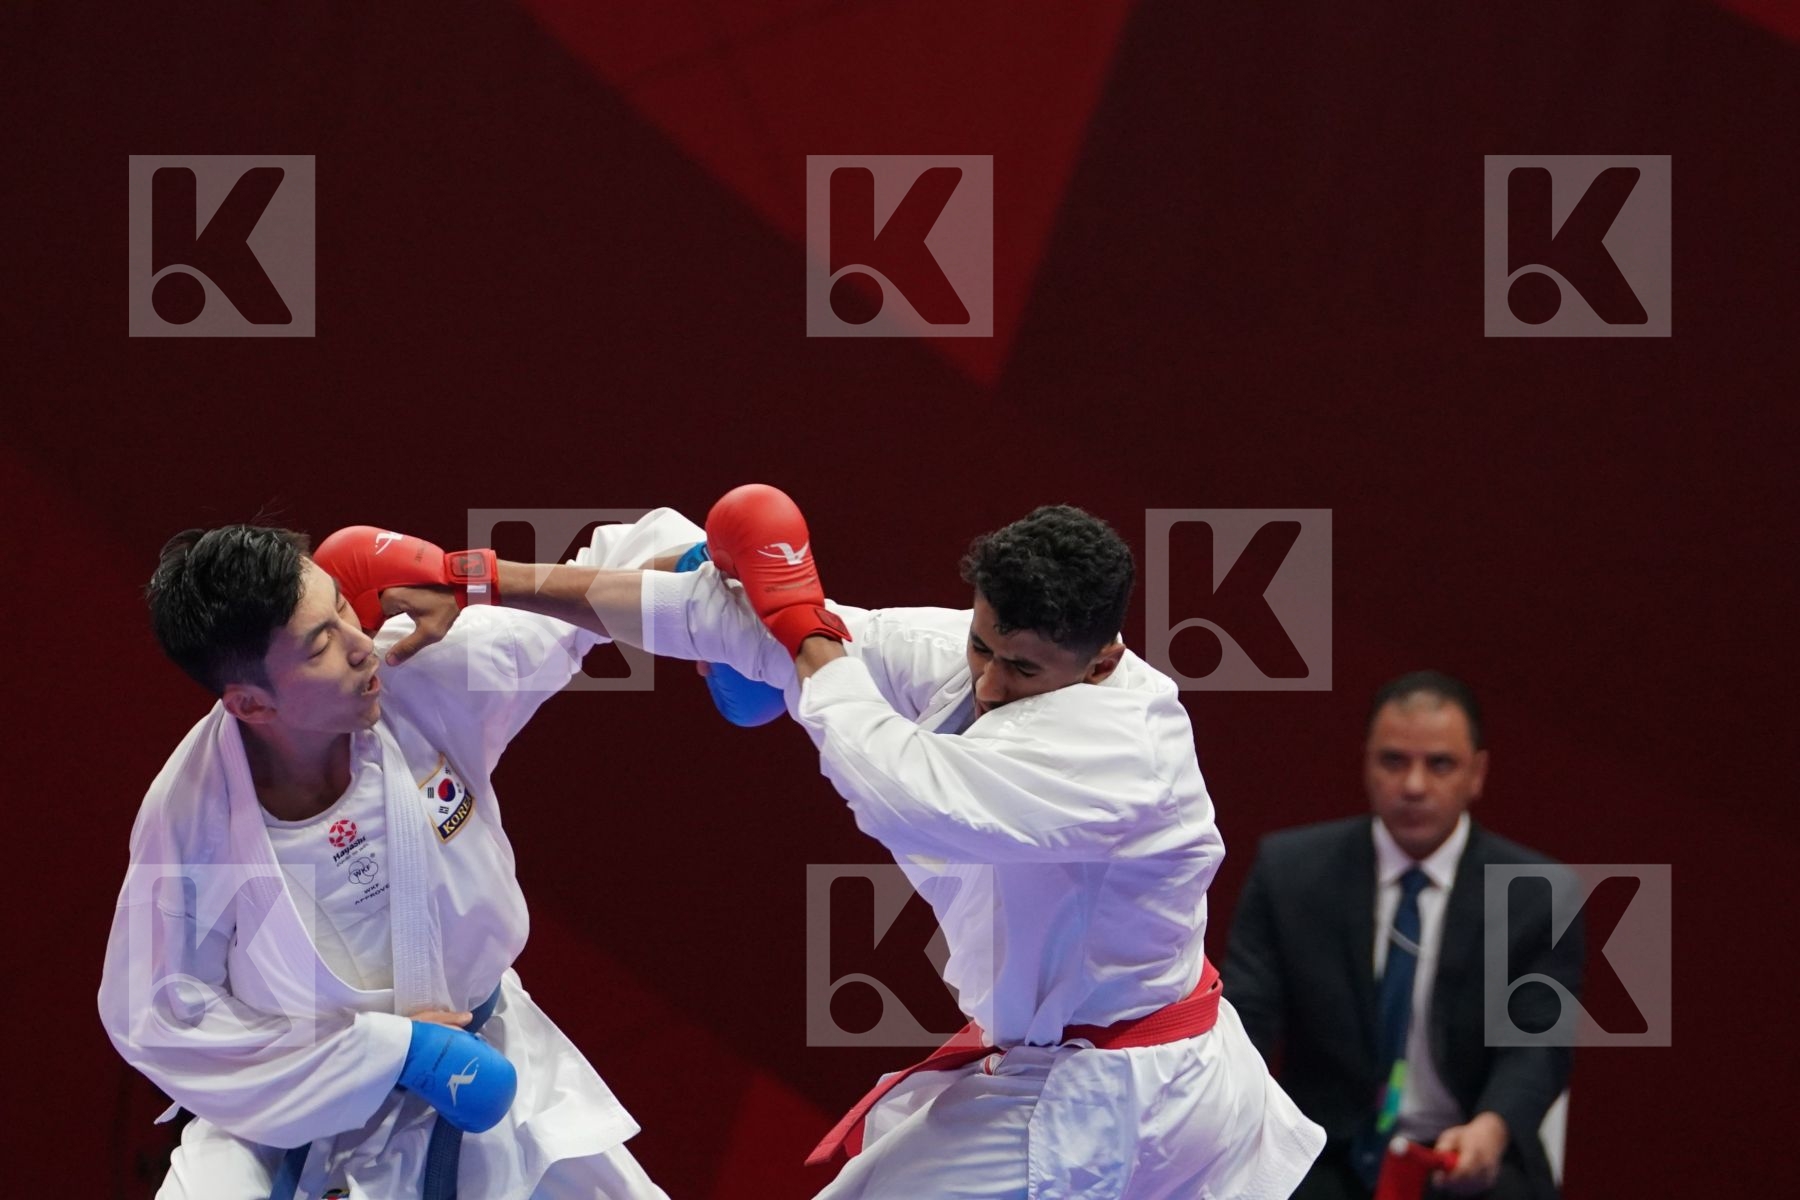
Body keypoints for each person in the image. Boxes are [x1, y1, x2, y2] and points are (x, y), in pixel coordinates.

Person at [388, 485, 1327, 1199]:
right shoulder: (968, 653)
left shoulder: (1117, 749)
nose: (992, 682)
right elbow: (740, 627)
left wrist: (807, 634)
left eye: (1026, 667)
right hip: (1083, 1061)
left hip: (1117, 1091)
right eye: (985, 646)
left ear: (1103, 658)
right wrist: (481, 582)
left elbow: (902, 792)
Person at [97, 510, 702, 1199]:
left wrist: (706, 598)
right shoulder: (190, 821)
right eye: (322, 642)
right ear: (251, 704)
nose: (362, 646)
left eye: (343, 609)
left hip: (497, 1086)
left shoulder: (421, 674)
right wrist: (383, 1055)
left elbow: (601, 581)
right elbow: (159, 1016)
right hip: (296, 1134)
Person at [1222, 672, 1580, 1200]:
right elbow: (1245, 1019)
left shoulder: (1535, 894)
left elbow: (1537, 1045)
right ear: (1366, 764)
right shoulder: (1291, 874)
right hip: (1325, 1146)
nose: (1413, 785)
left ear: (1476, 773)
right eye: (1394, 761)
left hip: (1462, 1144)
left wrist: (1494, 1126)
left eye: (1439, 764)